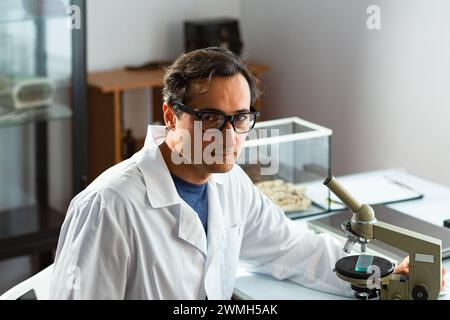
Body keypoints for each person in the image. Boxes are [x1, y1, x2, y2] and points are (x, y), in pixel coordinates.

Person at [49, 47, 437, 299]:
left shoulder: (229, 183)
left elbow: (292, 248)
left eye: (241, 118)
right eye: (212, 118)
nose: (230, 135)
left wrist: (380, 277)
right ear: (171, 116)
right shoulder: (109, 207)